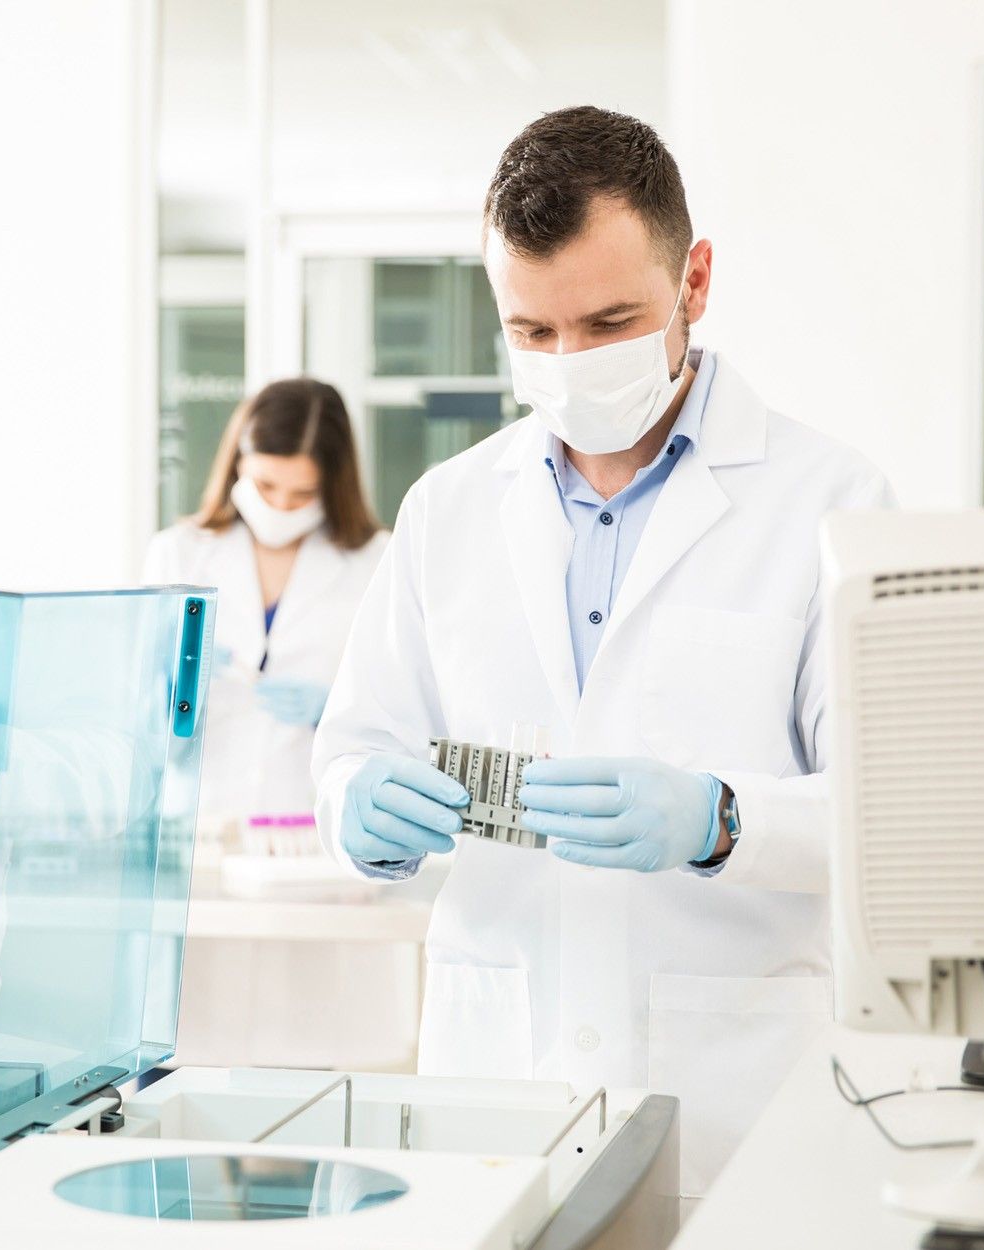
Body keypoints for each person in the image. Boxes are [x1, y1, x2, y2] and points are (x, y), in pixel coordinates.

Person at [311, 106, 895, 1200]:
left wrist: (725, 819)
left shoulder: (831, 501)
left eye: (609, 320)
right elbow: (359, 740)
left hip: (731, 1091)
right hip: (496, 1080)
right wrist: (358, 806)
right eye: (531, 332)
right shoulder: (448, 508)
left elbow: (892, 814)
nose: (570, 362)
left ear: (696, 283)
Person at [146, 377, 388, 824]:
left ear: (333, 485)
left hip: (314, 826)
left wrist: (332, 709)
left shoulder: (377, 562)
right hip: (203, 822)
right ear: (238, 464)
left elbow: (401, 712)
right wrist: (164, 687)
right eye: (265, 485)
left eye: (303, 494)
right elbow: (140, 722)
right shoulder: (178, 552)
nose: (280, 506)